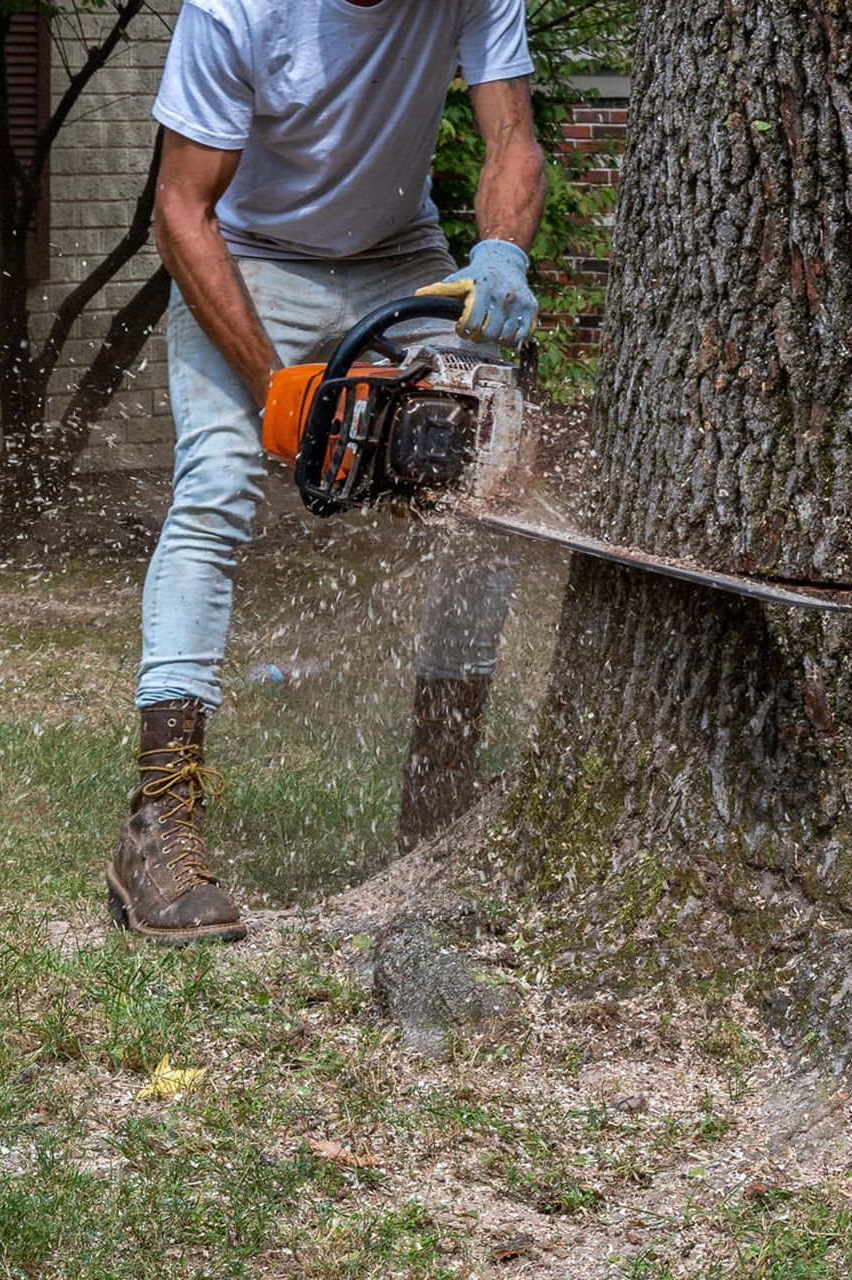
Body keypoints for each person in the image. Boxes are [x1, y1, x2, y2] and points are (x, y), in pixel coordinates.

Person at [108, 0, 548, 945]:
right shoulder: (237, 9)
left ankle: (439, 805)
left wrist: (503, 251)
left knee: (490, 482)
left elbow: (511, 132)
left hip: (402, 261)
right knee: (218, 485)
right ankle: (159, 829)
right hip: (247, 256)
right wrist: (284, 393)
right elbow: (181, 210)